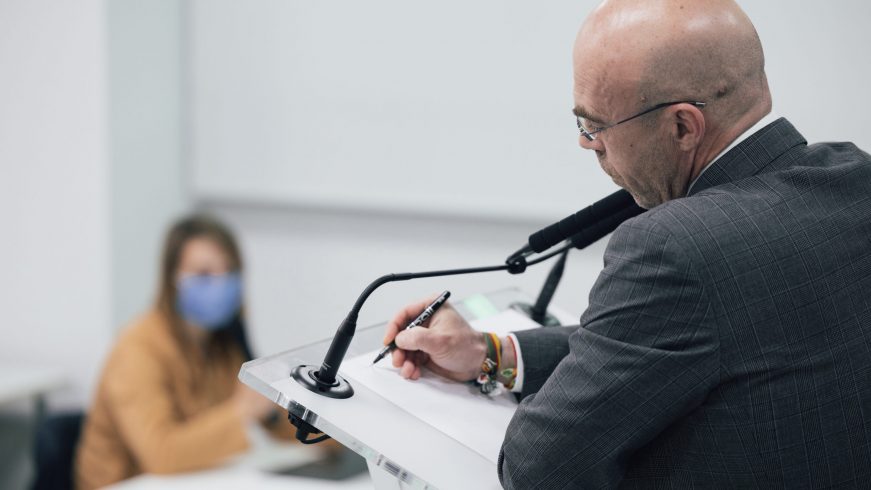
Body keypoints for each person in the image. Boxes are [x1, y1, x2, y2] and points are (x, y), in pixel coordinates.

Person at [383, 0, 871, 487]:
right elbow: (672, 343)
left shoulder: (677, 247)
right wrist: (493, 354)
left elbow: (540, 469)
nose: (587, 144)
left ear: (682, 126)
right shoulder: (856, 179)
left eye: (593, 124)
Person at [74, 215, 282, 489]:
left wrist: (314, 415)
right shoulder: (137, 348)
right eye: (204, 274)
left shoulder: (222, 344)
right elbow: (161, 454)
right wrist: (242, 412)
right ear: (172, 278)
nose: (220, 285)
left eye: (229, 271)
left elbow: (269, 416)